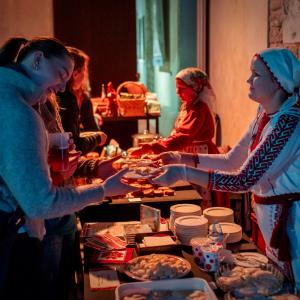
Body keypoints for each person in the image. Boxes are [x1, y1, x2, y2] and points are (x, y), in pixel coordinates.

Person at [151, 48, 300, 291]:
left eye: (256, 75)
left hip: (293, 225)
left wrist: (182, 172)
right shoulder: (263, 114)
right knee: (279, 284)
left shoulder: (289, 123)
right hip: (272, 219)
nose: (248, 80)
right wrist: (181, 157)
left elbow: (244, 179)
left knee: (294, 286)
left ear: (278, 81)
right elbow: (231, 160)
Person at [0, 37, 136, 299]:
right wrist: (104, 190)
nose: (63, 85)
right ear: (37, 60)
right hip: (14, 234)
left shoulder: (19, 98)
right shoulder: (19, 111)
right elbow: (40, 203)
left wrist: (92, 168)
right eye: (61, 74)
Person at [131, 67, 229, 208]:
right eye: (177, 88)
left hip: (199, 156)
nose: (177, 92)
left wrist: (153, 147)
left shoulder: (199, 109)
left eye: (182, 88)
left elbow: (183, 136)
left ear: (195, 88)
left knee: (198, 196)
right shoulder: (188, 106)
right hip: (190, 153)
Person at [58, 46, 106, 155]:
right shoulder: (67, 98)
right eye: (84, 70)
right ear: (75, 73)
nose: (85, 76)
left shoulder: (83, 99)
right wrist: (97, 138)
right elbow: (75, 144)